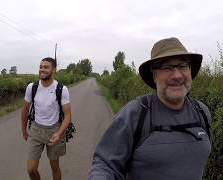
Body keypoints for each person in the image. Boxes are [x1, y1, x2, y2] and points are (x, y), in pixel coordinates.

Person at [88, 37, 212, 180]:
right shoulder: (136, 113)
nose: (177, 75)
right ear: (154, 75)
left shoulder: (202, 112)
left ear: (190, 71)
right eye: (166, 67)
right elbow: (105, 165)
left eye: (183, 66)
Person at [21, 57, 71, 180]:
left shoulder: (61, 89)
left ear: (53, 70)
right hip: (36, 130)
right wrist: (23, 129)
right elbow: (25, 110)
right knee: (31, 169)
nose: (42, 69)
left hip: (54, 131)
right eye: (41, 67)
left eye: (46, 67)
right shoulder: (32, 87)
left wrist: (59, 133)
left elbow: (68, 115)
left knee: (54, 167)